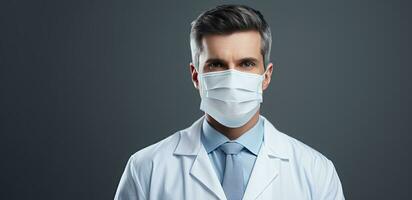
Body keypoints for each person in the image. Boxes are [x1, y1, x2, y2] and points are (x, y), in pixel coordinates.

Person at [114, 4, 345, 200]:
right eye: (216, 64)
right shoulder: (146, 170)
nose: (232, 77)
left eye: (246, 64)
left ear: (266, 76)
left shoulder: (316, 173)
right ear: (196, 76)